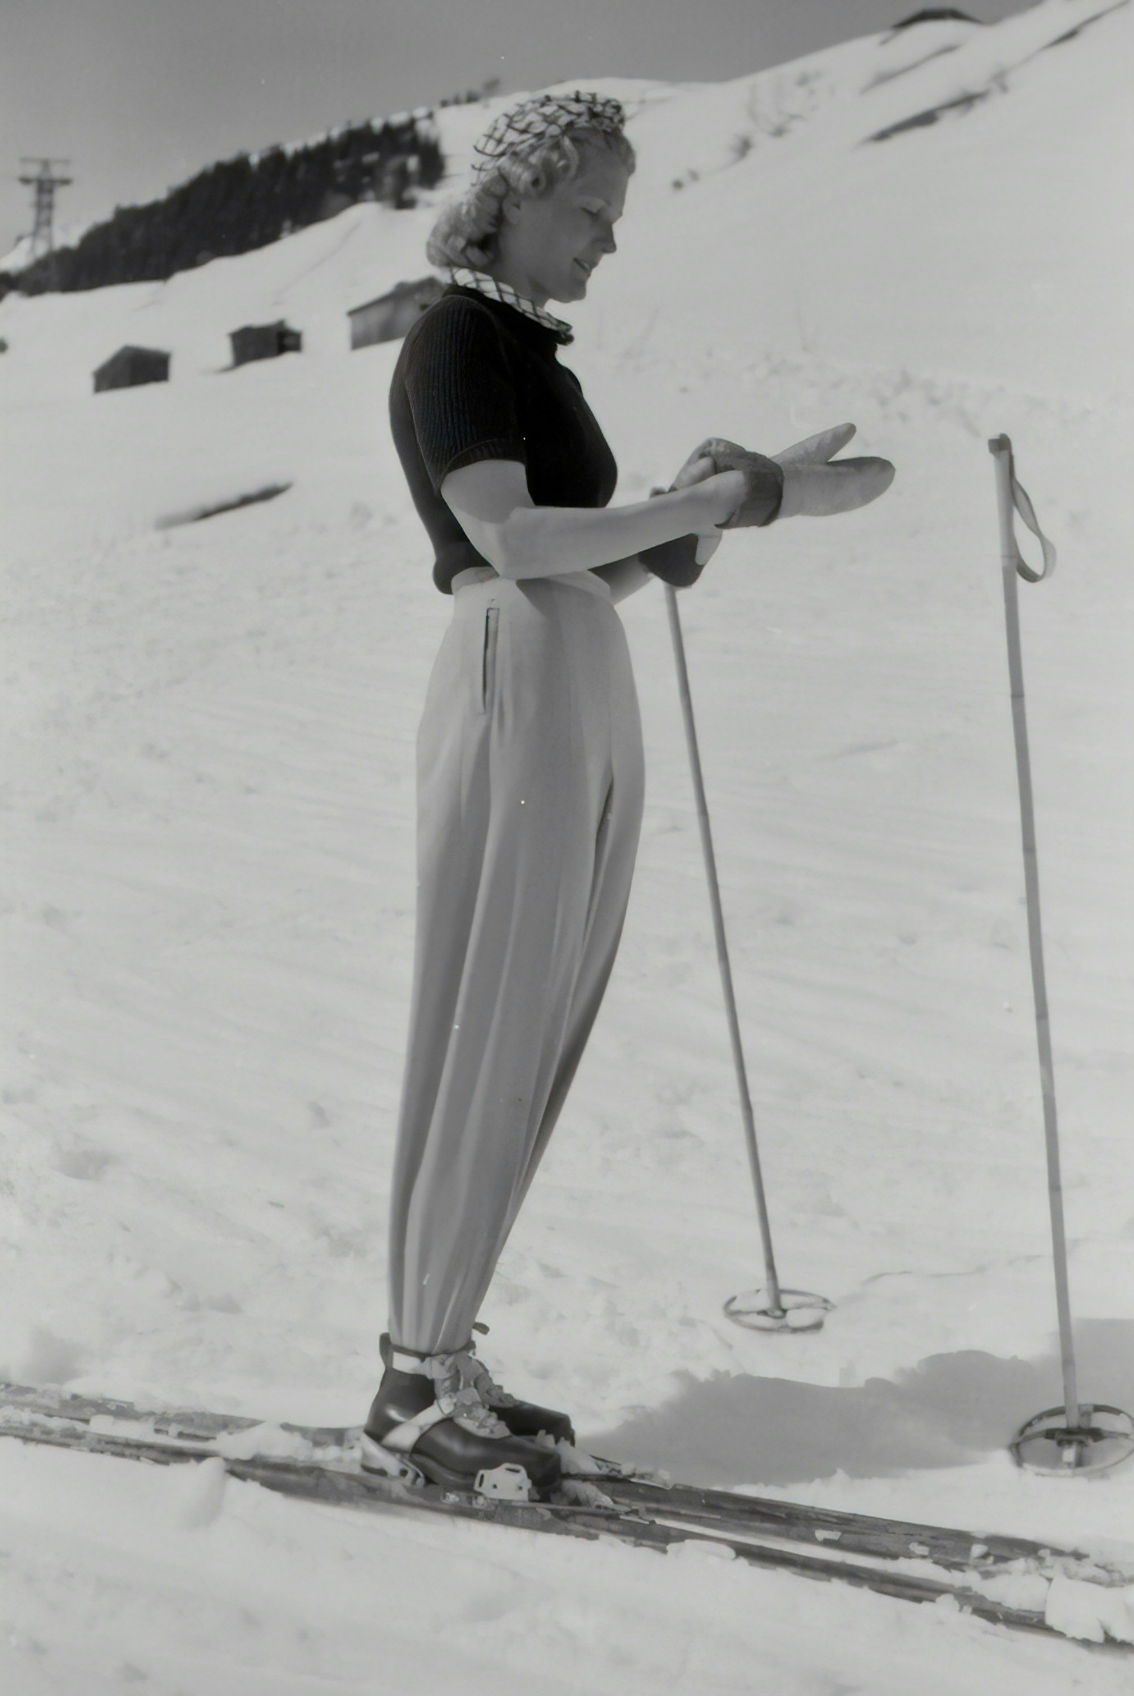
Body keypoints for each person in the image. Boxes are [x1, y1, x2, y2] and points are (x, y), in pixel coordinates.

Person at [362, 91, 891, 1500]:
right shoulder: (457, 336)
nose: (607, 238)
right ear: (511, 201)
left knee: (541, 1017)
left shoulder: (528, 348)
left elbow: (591, 561)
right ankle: (412, 1382)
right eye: (589, 209)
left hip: (575, 664)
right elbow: (510, 535)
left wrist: (711, 502)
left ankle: (441, 1347)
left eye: (615, 214)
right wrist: (707, 507)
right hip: (516, 666)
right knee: (490, 1014)